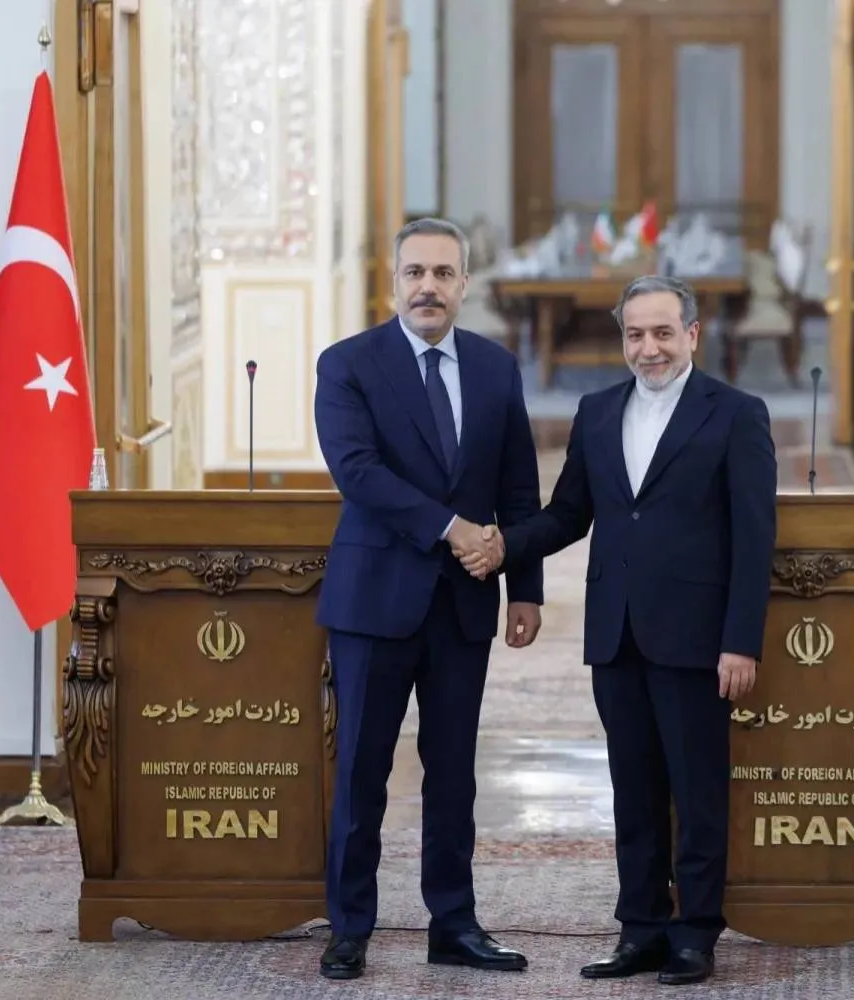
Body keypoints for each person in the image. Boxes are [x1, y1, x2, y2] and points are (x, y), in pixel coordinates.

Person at [461, 274, 777, 986]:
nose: (649, 348)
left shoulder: (736, 414)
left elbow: (755, 538)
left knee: (696, 790)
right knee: (631, 789)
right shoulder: (597, 411)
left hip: (697, 638)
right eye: (636, 334)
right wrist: (503, 547)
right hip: (616, 634)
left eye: (663, 333)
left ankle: (694, 933)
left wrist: (741, 640)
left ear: (692, 334)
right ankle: (640, 929)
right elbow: (569, 514)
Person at [312, 217, 545, 981]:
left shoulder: (495, 367)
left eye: (444, 274)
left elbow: (517, 482)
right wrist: (454, 529)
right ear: (394, 281)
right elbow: (359, 473)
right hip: (374, 602)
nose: (428, 287)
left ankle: (454, 924)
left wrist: (525, 587)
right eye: (415, 272)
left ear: (465, 284)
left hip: (463, 604)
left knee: (453, 773)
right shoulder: (347, 364)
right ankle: (350, 927)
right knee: (362, 771)